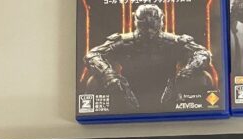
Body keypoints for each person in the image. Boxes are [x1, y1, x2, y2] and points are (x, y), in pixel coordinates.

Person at [84, 4, 212, 110]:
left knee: (203, 77)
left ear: (161, 22)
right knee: (94, 81)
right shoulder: (124, 41)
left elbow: (202, 53)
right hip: (127, 91)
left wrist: (189, 70)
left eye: (152, 26)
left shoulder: (173, 42)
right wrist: (107, 74)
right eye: (145, 26)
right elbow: (92, 55)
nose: (149, 31)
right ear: (136, 22)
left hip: (169, 91)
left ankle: (207, 109)